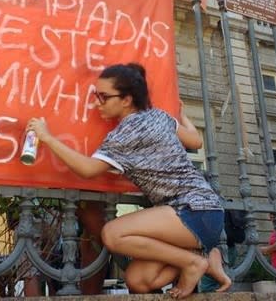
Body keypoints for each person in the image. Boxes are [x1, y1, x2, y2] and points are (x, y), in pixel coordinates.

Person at [27, 63, 231, 299]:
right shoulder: (159, 116)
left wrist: (47, 137)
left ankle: (193, 262)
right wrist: (182, 116)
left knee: (113, 234)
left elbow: (87, 169)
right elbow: (195, 141)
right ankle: (205, 254)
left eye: (103, 97)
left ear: (126, 100)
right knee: (137, 280)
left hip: (191, 210)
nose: (97, 102)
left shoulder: (126, 133)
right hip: (205, 213)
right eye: (96, 95)